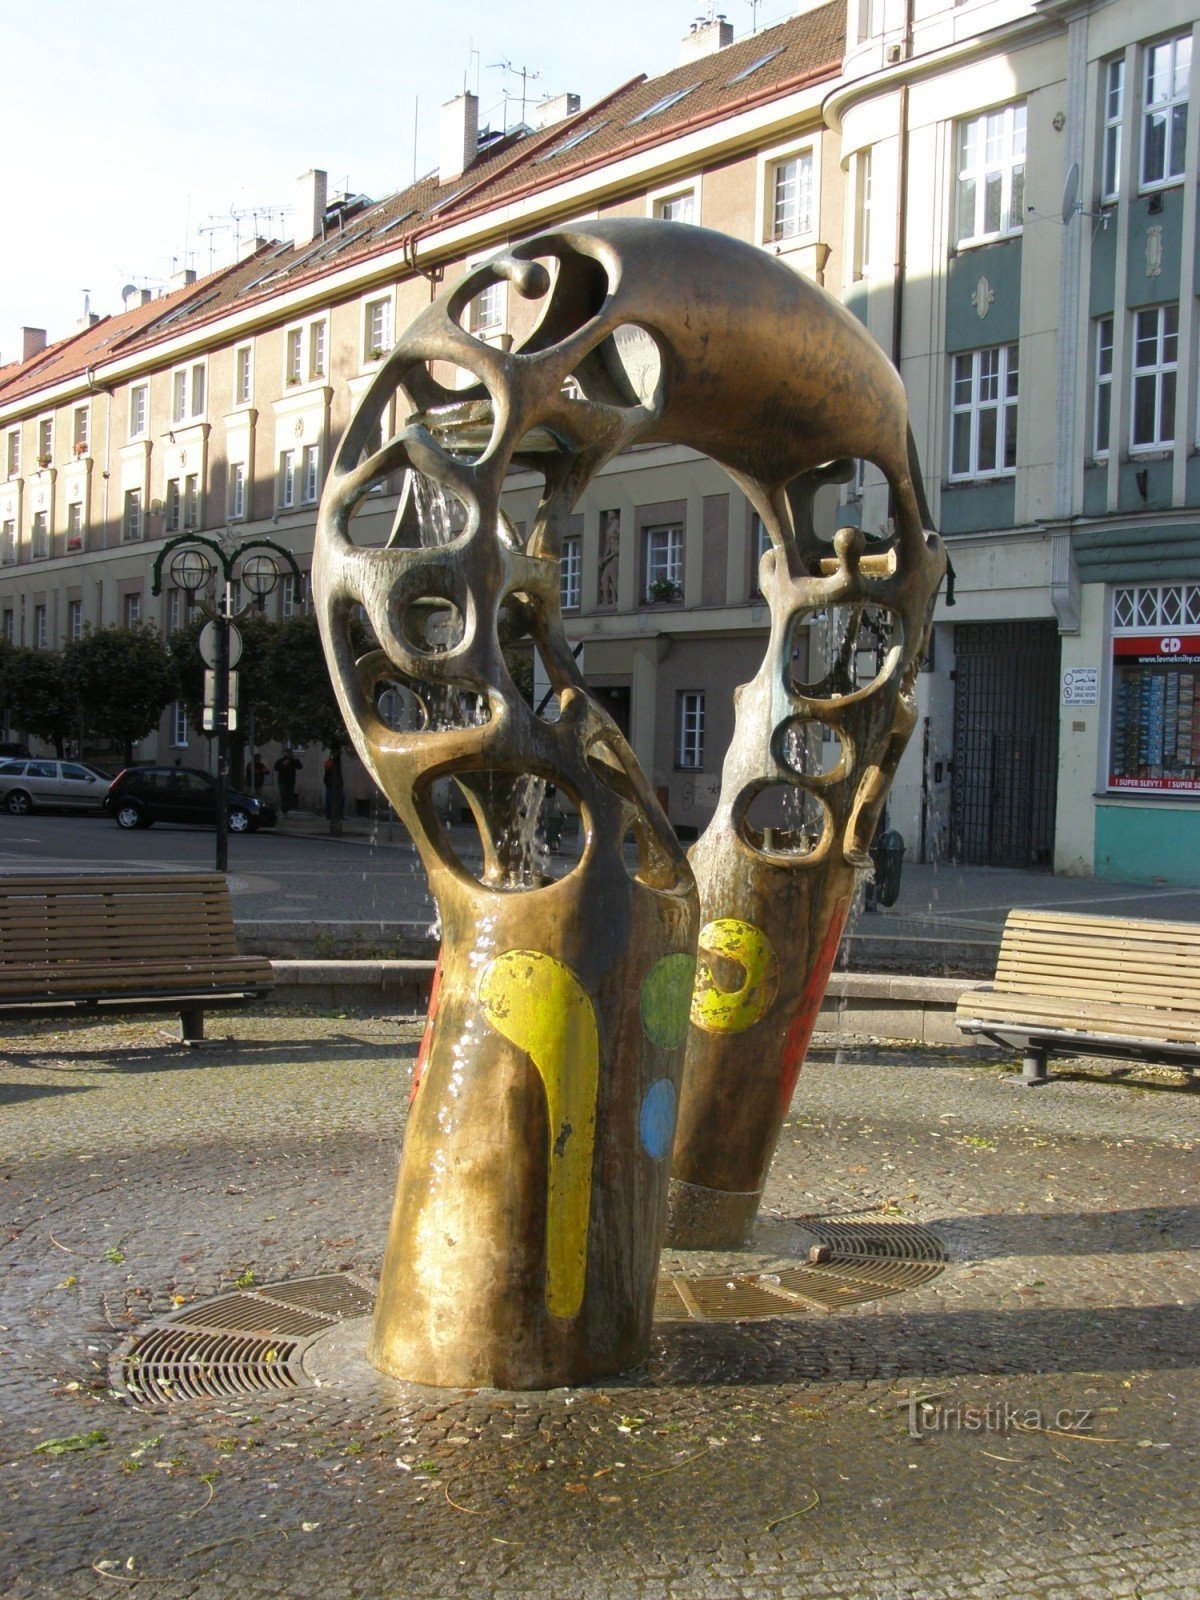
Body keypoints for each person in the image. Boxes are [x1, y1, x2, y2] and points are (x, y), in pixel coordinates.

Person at [274, 748, 301, 816]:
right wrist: (283, 764)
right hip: (282, 781)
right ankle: (284, 811)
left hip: (291, 781)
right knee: (283, 795)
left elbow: (300, 766)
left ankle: (286, 810)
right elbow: (276, 768)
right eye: (288, 753)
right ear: (285, 753)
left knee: (289, 796)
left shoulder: (293, 761)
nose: (289, 754)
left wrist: (295, 760)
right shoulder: (281, 760)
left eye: (290, 753)